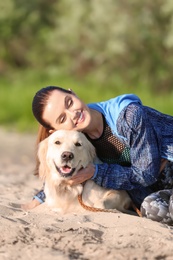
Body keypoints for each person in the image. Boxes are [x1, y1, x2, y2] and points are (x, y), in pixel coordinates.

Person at [24, 86, 173, 224]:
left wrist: (95, 172)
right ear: (56, 131)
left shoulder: (128, 116)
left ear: (73, 93)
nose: (73, 113)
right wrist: (41, 197)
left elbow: (146, 174)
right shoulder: (81, 141)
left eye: (69, 102)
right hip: (158, 191)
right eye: (62, 119)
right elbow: (59, 163)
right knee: (152, 209)